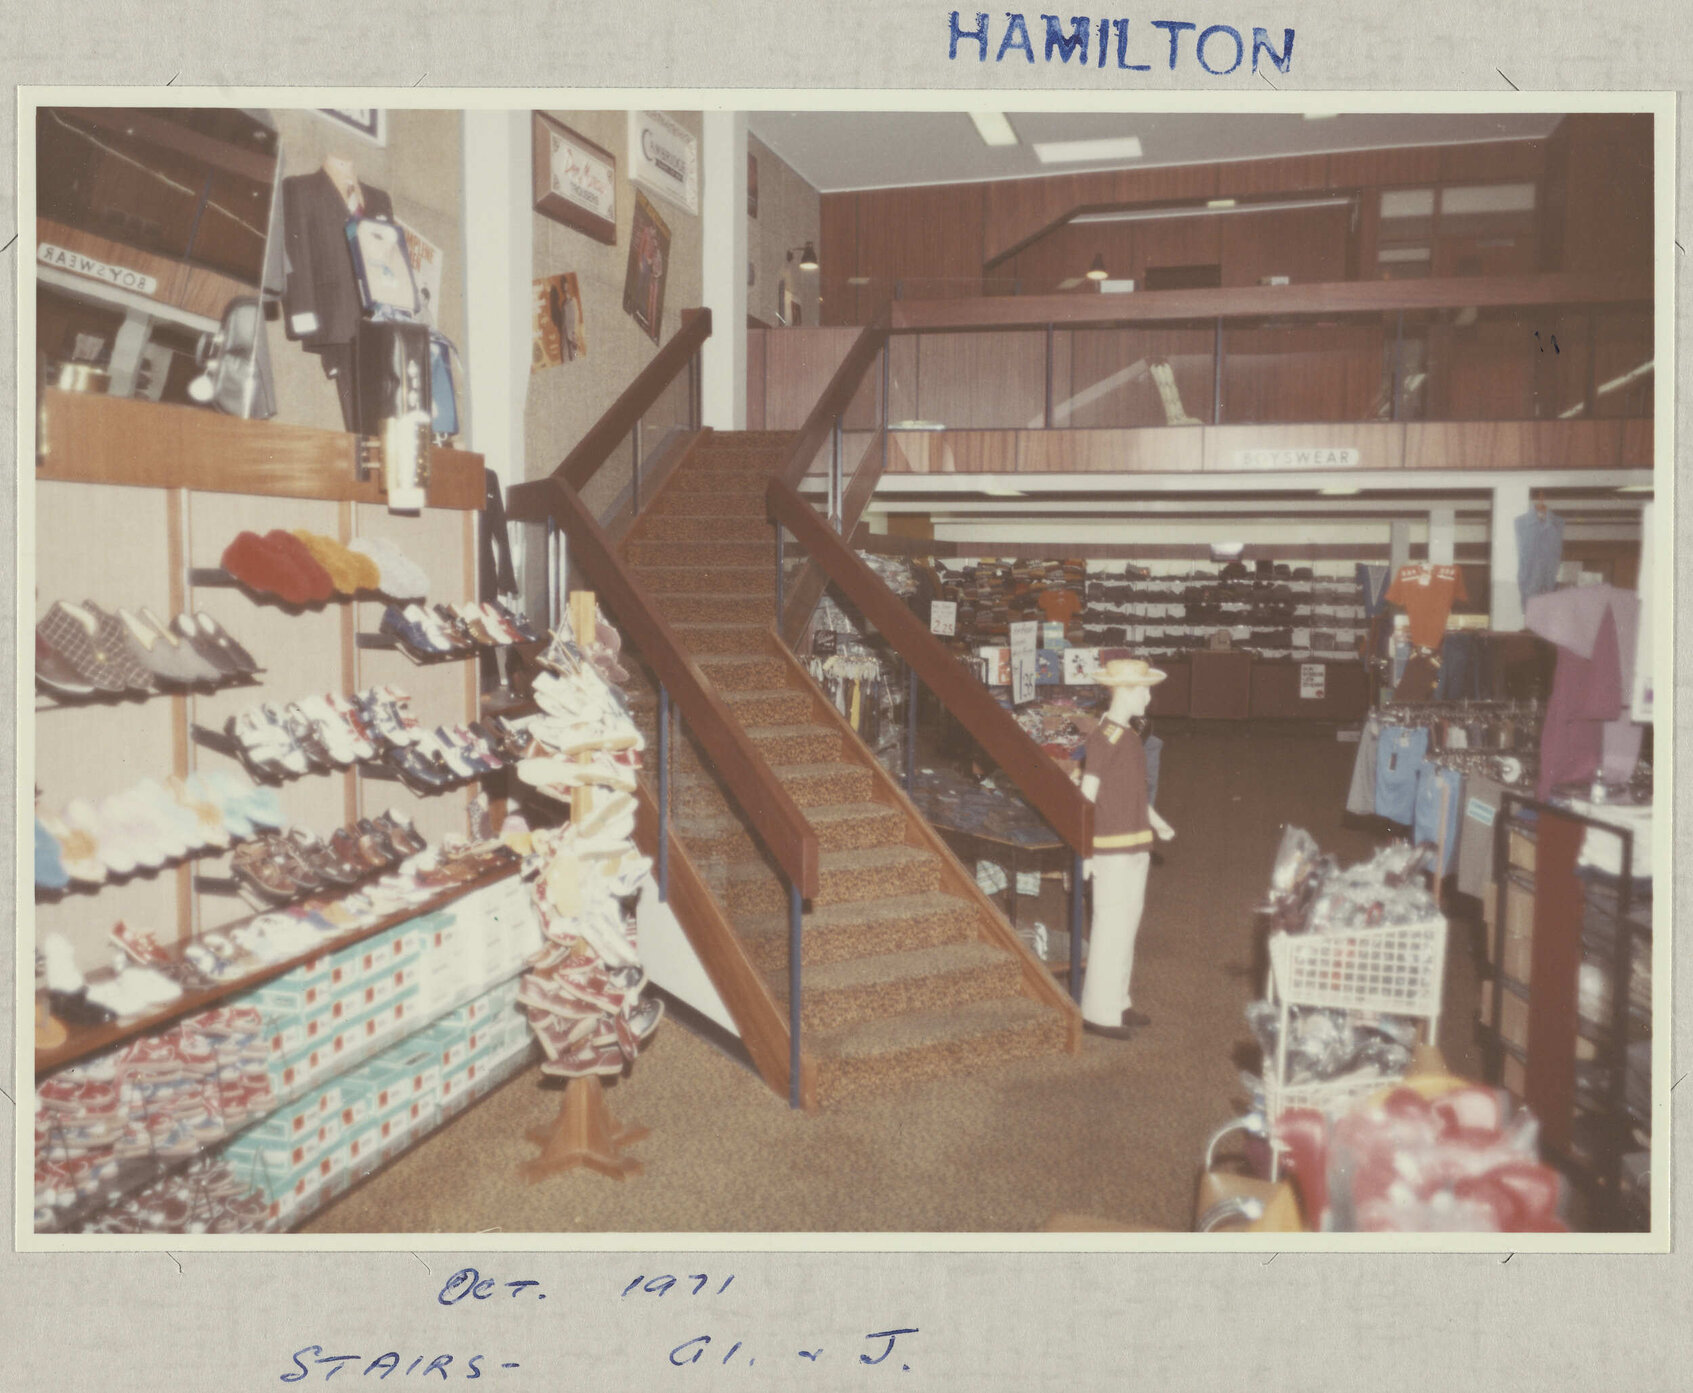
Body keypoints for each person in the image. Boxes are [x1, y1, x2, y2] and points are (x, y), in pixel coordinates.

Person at [1076, 658, 1175, 1039]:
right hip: (1110, 847)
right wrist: (1084, 852)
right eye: (1144, 689)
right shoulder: (1104, 739)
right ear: (1125, 691)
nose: (1149, 696)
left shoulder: (1131, 737)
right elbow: (1088, 796)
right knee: (1110, 928)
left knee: (1127, 925)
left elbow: (1133, 792)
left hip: (1135, 842)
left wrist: (1156, 820)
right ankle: (1099, 1012)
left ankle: (1118, 1001)